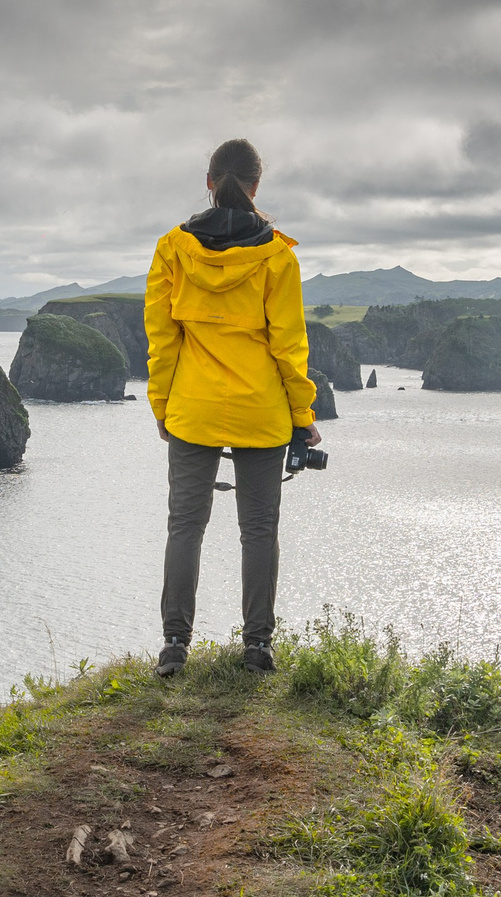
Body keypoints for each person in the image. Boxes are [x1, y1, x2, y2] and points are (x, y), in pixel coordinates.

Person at [144, 138, 321, 677]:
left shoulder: (172, 248)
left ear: (209, 182)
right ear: (256, 186)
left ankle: (175, 646)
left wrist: (161, 406)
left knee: (185, 527)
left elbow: (162, 338)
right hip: (260, 411)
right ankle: (257, 648)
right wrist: (303, 418)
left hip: (192, 408)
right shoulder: (276, 256)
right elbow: (289, 347)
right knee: (259, 530)